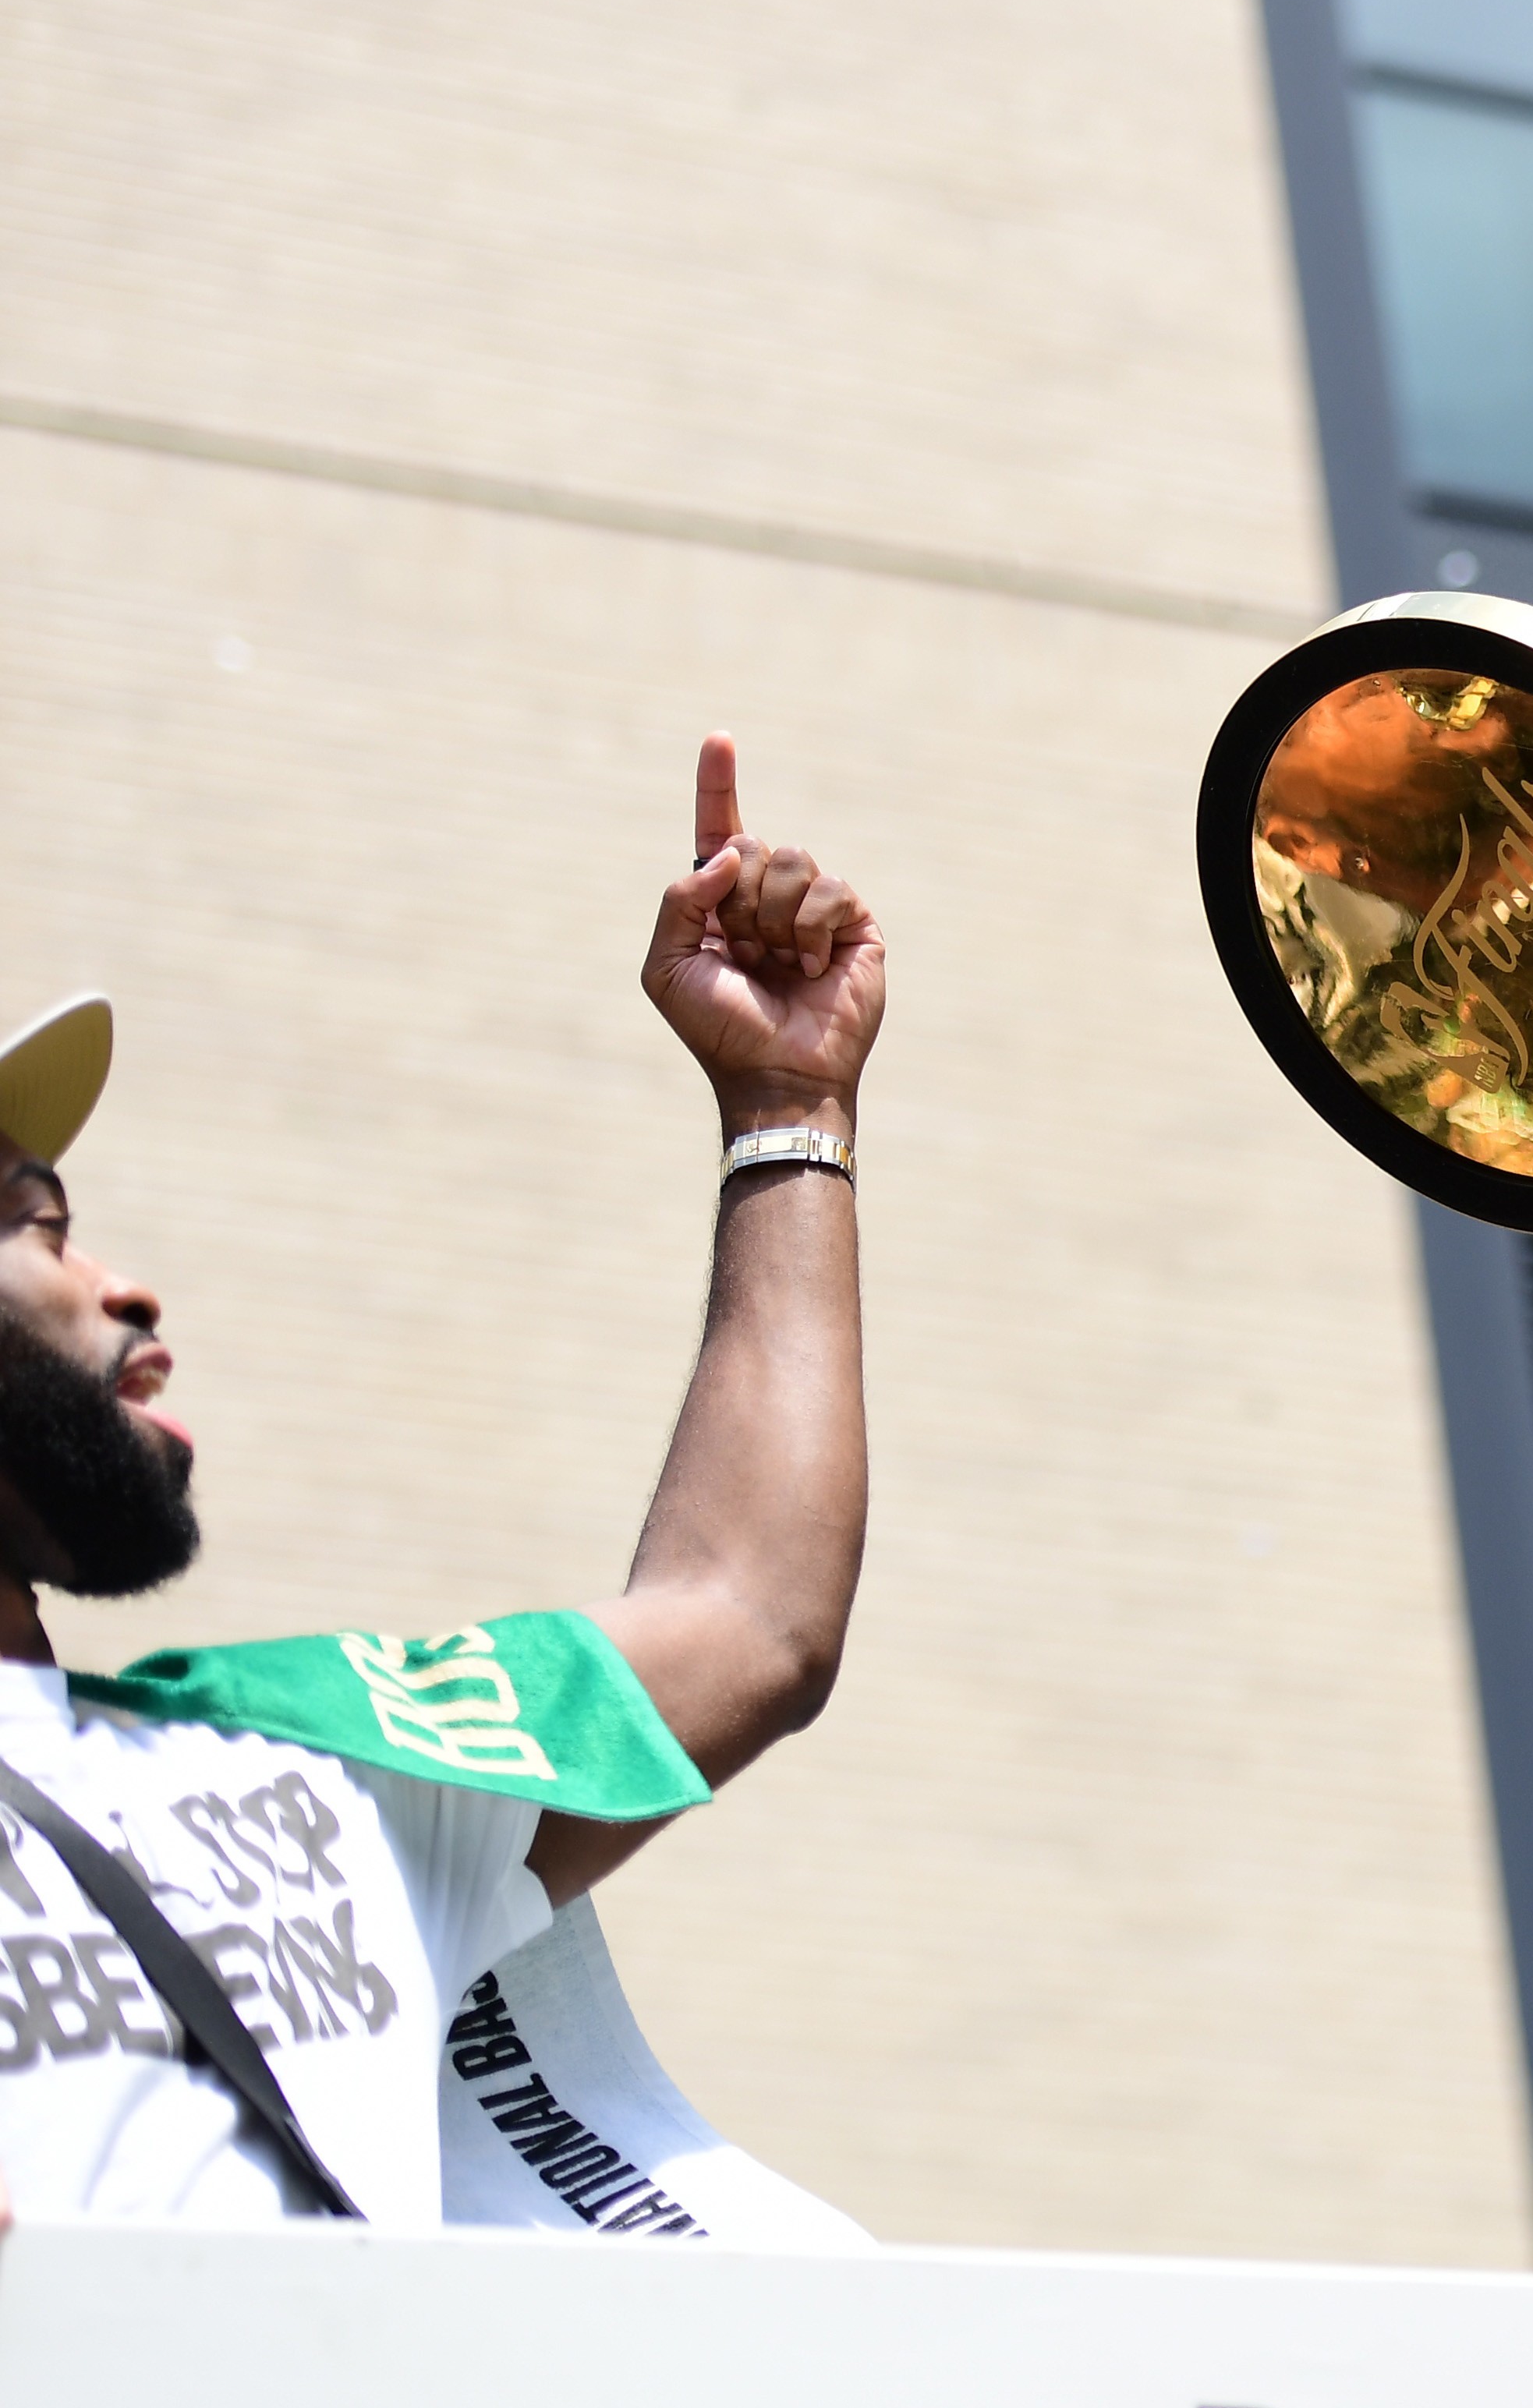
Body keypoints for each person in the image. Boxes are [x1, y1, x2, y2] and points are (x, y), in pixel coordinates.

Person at [0, 734, 881, 2235]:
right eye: (41, 1231)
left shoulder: (274, 1757)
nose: (126, 1286)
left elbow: (747, 1613)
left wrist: (786, 1110)